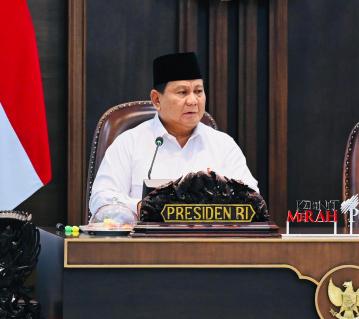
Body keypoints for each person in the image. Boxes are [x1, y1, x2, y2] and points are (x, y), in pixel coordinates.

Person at [89, 51, 258, 216]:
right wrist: (143, 207)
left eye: (198, 91)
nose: (193, 101)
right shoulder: (129, 143)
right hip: (145, 243)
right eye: (182, 92)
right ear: (157, 100)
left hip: (208, 241)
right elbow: (100, 199)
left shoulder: (223, 145)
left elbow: (252, 198)